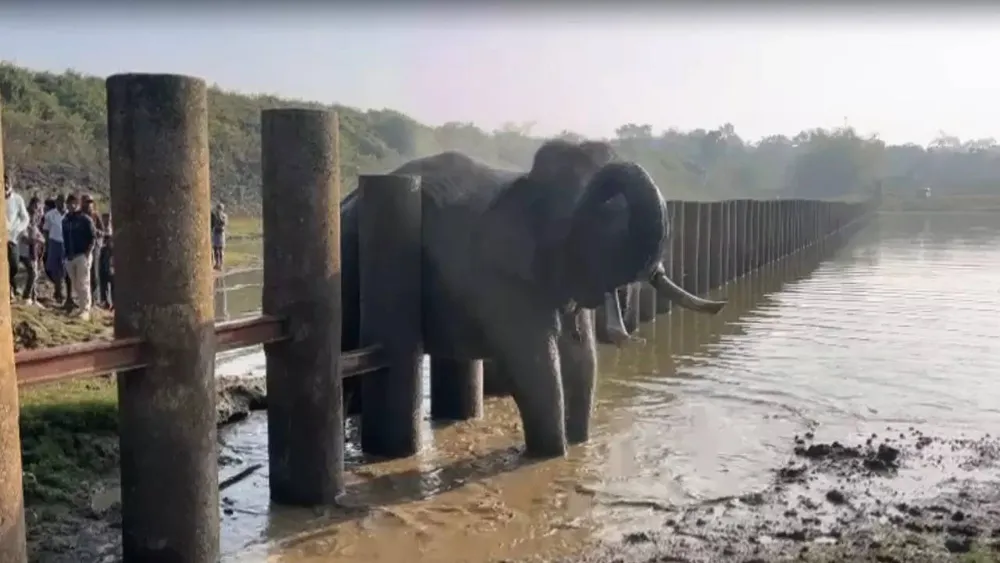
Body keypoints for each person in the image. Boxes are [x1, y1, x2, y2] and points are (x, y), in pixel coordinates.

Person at [61, 194, 97, 320]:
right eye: (69, 203)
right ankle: (81, 307)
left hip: (82, 254)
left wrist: (88, 253)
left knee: (83, 282)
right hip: (70, 256)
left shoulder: (85, 219)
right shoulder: (64, 221)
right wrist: (65, 255)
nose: (71, 205)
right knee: (76, 284)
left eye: (74, 203)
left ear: (78, 204)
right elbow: (64, 238)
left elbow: (93, 237)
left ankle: (85, 310)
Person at [4, 170, 29, 301]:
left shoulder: (17, 199)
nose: (6, 185)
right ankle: (7, 289)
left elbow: (25, 218)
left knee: (13, 264)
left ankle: (10, 284)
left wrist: (17, 230)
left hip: (12, 238)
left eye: (7, 182)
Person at [18, 197, 44, 306]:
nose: (37, 211)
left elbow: (39, 235)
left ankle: (34, 298)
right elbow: (23, 238)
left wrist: (40, 239)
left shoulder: (34, 222)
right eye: (36, 207)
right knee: (32, 273)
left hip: (33, 252)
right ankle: (26, 296)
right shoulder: (24, 219)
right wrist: (35, 240)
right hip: (24, 251)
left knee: (35, 274)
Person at [41, 196, 67, 303]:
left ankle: (62, 292)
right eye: (60, 202)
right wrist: (46, 245)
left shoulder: (70, 215)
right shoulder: (50, 215)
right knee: (54, 268)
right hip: (54, 242)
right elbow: (46, 231)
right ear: (56, 202)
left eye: (64, 202)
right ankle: (58, 291)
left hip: (66, 243)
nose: (62, 204)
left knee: (64, 268)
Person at [81, 195, 104, 300]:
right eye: (86, 202)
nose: (88, 204)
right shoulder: (79, 215)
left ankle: (95, 298)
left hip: (94, 246)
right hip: (81, 246)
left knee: (94, 272)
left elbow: (103, 231)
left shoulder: (95, 215)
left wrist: (95, 231)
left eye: (90, 202)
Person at [98, 214, 113, 309]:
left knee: (112, 279)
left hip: (111, 254)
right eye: (104, 219)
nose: (105, 221)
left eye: (107, 219)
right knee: (102, 278)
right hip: (102, 253)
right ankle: (104, 301)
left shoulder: (112, 228)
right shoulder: (101, 227)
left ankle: (113, 302)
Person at [211, 202, 227, 271]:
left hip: (221, 233)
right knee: (215, 249)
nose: (218, 210)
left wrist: (219, 217)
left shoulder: (224, 216)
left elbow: (224, 223)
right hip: (215, 233)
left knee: (220, 249)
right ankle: (217, 263)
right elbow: (212, 223)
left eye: (220, 208)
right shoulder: (215, 215)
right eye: (218, 208)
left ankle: (221, 264)